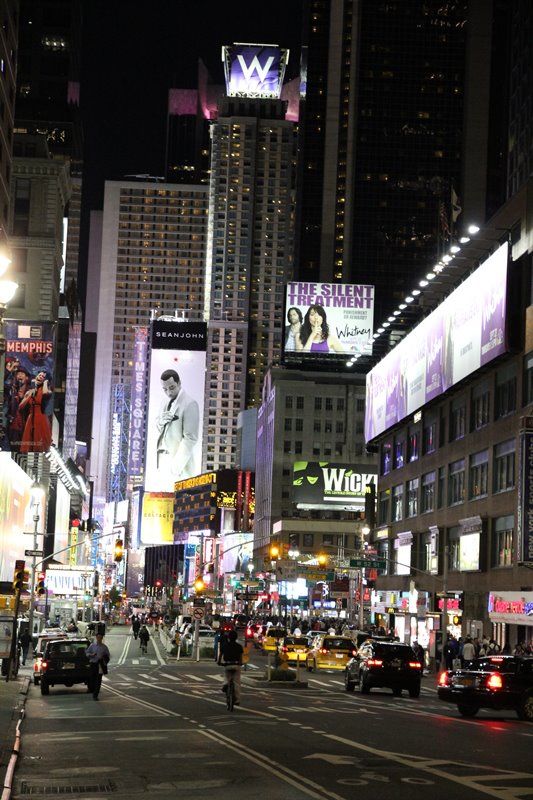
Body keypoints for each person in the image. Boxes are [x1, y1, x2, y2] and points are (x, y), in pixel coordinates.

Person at [155, 369, 199, 482]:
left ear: (179, 383)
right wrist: (161, 422)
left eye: (172, 388)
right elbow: (157, 427)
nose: (169, 393)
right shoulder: (163, 402)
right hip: (163, 463)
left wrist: (175, 468)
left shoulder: (190, 404)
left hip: (181, 468)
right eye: (165, 389)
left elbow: (190, 438)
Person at [18, 370, 52, 453]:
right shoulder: (29, 392)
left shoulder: (48, 391)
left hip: (41, 419)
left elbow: (45, 393)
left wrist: (45, 383)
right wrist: (30, 393)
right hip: (31, 418)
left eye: (43, 377)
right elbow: (20, 407)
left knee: (41, 448)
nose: (40, 377)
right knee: (30, 447)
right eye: (39, 375)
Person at [218, 629, 243, 705]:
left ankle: (225, 684)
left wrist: (219, 662)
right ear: (236, 638)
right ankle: (237, 700)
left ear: (228, 637)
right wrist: (240, 663)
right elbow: (240, 657)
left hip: (227, 664)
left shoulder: (225, 645)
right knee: (237, 682)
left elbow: (220, 655)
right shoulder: (239, 646)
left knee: (226, 676)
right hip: (236, 664)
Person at [86, 632, 110, 700]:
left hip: (99, 664)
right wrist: (91, 655)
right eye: (98, 637)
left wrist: (104, 659)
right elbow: (87, 653)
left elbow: (107, 655)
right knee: (92, 679)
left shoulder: (104, 647)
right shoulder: (92, 646)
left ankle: (95, 695)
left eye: (100, 637)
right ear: (96, 638)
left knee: (98, 680)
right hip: (93, 664)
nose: (99, 639)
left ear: (102, 638)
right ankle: (92, 690)